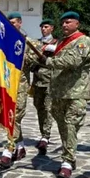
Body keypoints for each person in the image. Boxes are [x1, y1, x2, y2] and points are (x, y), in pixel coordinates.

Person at [40, 11, 90, 178]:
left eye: (69, 22)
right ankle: (69, 156)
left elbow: (72, 61)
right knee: (63, 127)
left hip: (75, 92)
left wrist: (48, 61)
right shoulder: (61, 42)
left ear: (77, 24)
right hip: (59, 92)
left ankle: (67, 162)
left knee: (71, 125)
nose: (65, 25)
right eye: (63, 22)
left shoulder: (83, 41)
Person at [0, 13, 32, 168]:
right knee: (13, 119)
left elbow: (34, 62)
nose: (11, 25)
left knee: (14, 118)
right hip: (7, 86)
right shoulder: (4, 42)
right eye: (8, 23)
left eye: (13, 22)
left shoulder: (28, 43)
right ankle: (21, 146)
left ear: (20, 23)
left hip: (20, 87)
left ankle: (8, 152)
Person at [31, 19, 56, 155]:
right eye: (42, 27)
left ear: (52, 28)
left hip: (49, 82)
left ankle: (45, 136)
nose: (43, 29)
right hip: (37, 81)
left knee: (47, 109)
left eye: (46, 27)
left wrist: (55, 50)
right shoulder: (37, 43)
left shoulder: (56, 43)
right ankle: (43, 133)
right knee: (39, 108)